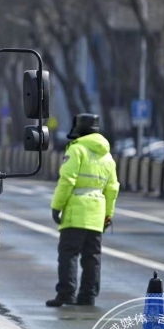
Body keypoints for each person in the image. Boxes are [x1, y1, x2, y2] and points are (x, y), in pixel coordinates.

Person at [46, 113, 119, 307]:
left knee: (69, 253)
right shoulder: (107, 156)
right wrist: (108, 214)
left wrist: (57, 206)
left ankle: (66, 294)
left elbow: (67, 180)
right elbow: (112, 187)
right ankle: (88, 296)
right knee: (92, 257)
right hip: (97, 212)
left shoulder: (77, 150)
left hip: (76, 211)